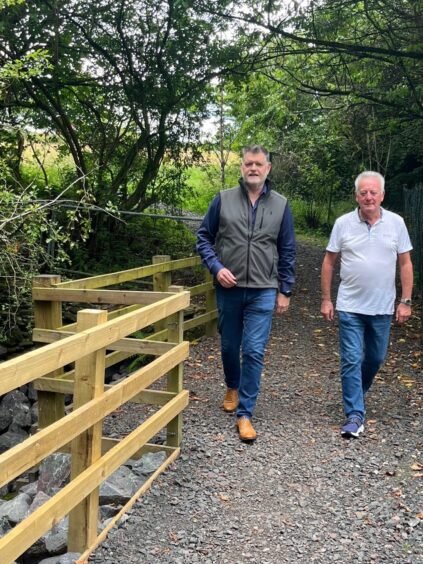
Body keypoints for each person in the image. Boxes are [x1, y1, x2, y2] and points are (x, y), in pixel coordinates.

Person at [196, 145, 296, 442]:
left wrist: (285, 289)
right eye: (249, 164)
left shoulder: (281, 205)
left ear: (268, 168)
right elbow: (203, 238)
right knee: (229, 347)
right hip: (229, 289)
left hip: (263, 289)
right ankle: (232, 385)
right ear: (242, 167)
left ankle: (245, 413)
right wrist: (216, 267)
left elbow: (287, 249)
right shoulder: (223, 200)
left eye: (259, 164)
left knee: (253, 351)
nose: (253, 168)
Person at [321, 171, 413, 438]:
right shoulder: (343, 224)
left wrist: (405, 301)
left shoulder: (396, 223)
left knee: (375, 358)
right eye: (363, 192)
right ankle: (354, 414)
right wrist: (326, 299)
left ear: (382, 195)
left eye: (373, 192)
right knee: (351, 359)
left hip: (382, 308)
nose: (368, 197)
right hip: (350, 305)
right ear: (356, 196)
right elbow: (328, 261)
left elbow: (405, 263)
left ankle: (355, 394)